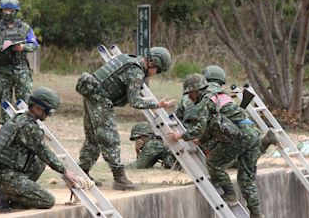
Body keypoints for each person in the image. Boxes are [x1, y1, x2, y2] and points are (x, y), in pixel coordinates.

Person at [167, 73, 277, 218]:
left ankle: (230, 194)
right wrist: (200, 140)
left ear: (196, 90)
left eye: (189, 93)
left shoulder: (206, 101)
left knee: (213, 161)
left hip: (239, 136)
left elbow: (201, 127)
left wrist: (180, 136)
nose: (189, 97)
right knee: (246, 179)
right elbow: (215, 125)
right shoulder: (219, 94)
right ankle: (256, 215)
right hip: (251, 132)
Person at [75, 47, 175, 190]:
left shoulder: (127, 58)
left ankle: (82, 173)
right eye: (157, 70)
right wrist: (157, 104)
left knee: (93, 139)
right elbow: (134, 101)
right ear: (152, 63)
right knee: (110, 138)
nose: (155, 74)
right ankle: (119, 178)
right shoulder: (137, 71)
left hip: (91, 95)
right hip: (101, 99)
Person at [0, 87, 78, 212]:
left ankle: (0, 194)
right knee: (47, 200)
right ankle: (3, 195)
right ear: (38, 107)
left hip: (0, 171)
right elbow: (44, 152)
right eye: (48, 111)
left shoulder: (19, 117)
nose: (48, 115)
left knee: (39, 163)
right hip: (2, 175)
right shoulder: (29, 127)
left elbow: (41, 156)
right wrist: (64, 171)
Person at [175, 65, 279, 157]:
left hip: (192, 139)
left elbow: (178, 117)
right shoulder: (220, 95)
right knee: (236, 156)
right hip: (203, 139)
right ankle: (264, 143)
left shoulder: (191, 95)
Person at [0, 0, 39, 125]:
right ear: (1, 10)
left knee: (25, 99)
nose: (7, 13)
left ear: (15, 11)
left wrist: (22, 47)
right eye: (5, 10)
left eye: (10, 10)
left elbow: (34, 45)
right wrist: (2, 47)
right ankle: (6, 127)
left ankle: (25, 126)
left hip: (21, 69)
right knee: (4, 100)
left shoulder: (25, 27)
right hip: (4, 70)